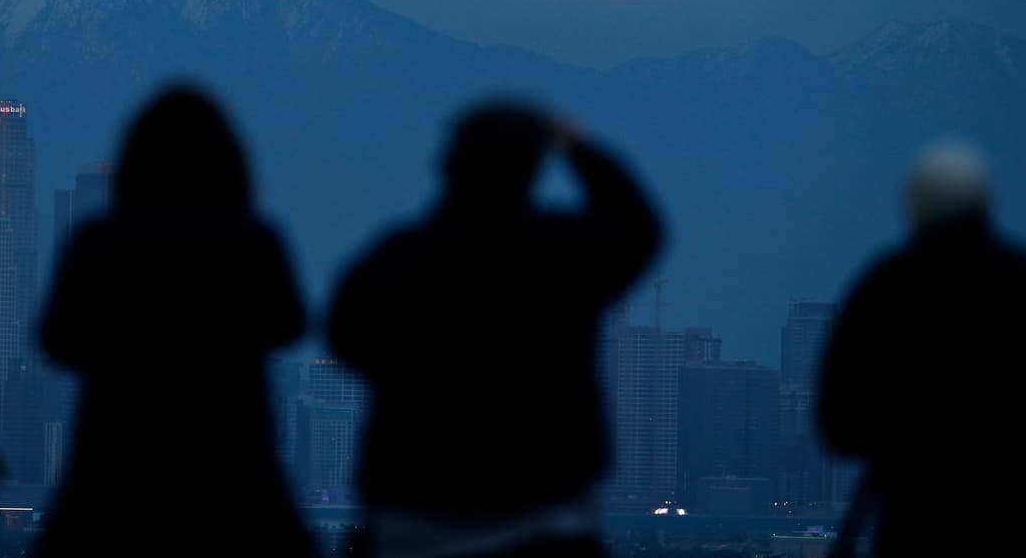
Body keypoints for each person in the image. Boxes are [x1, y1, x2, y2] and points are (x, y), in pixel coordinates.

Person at [327, 98, 664, 558]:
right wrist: (578, 147)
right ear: (532, 168)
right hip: (546, 515)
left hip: (412, 512)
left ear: (446, 164)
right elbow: (639, 227)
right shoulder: (559, 256)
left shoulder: (399, 258)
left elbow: (344, 338)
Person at [34, 82, 317, 558]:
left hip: (113, 468)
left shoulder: (100, 241)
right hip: (234, 468)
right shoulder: (251, 240)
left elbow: (58, 340)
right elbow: (289, 323)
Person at [817, 139, 1026, 558]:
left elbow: (838, 426)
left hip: (911, 520)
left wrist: (904, 429)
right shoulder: (1016, 281)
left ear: (913, 204)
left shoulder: (887, 286)